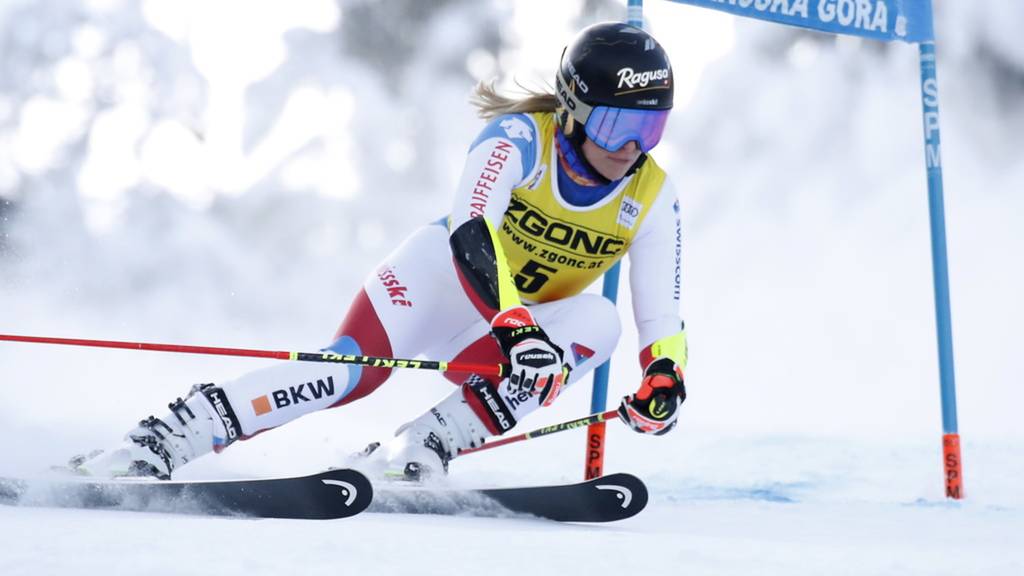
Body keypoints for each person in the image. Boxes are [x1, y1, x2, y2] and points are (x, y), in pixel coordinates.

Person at [74, 21, 688, 481]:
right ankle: (165, 438)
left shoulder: (653, 195)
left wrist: (665, 373)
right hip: (440, 284)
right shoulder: (519, 138)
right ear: (574, 111)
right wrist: (514, 325)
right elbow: (471, 229)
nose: (631, 148)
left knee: (598, 323)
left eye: (650, 129)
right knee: (346, 376)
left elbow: (661, 313)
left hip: (506, 331)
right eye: (616, 126)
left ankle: (421, 448)